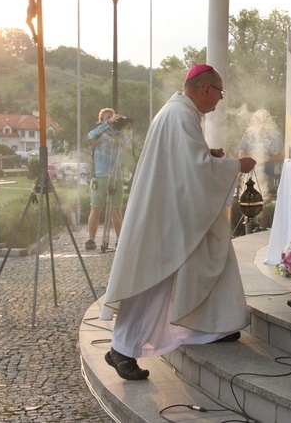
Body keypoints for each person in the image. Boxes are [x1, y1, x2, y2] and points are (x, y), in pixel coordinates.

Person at [100, 64, 256, 380]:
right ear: (206, 89)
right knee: (152, 283)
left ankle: (209, 329)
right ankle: (121, 348)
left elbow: (186, 162)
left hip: (165, 210)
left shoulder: (176, 112)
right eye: (220, 93)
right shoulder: (181, 115)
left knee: (197, 263)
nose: (220, 100)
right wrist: (234, 165)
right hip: (164, 217)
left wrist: (210, 156)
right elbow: (195, 171)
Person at [85, 108, 125, 251]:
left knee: (116, 210)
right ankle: (91, 239)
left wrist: (120, 126)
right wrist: (108, 123)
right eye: (108, 117)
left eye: (113, 117)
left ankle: (120, 239)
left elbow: (125, 145)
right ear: (101, 120)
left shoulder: (118, 135)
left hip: (115, 176)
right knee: (96, 208)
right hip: (100, 175)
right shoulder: (98, 134)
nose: (112, 119)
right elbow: (90, 137)